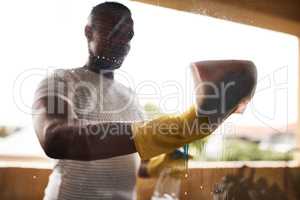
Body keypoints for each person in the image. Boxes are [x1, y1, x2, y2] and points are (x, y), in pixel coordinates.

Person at [32, 2, 257, 200]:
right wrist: (166, 130)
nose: (121, 42)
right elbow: (55, 138)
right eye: (113, 32)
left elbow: (137, 164)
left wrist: (160, 164)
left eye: (128, 35)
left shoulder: (130, 96)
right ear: (89, 32)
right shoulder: (61, 81)